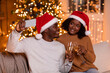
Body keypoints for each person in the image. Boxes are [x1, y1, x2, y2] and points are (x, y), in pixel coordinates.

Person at [7, 13, 72, 73]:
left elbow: (62, 70)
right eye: (55, 26)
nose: (58, 29)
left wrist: (69, 62)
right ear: (46, 29)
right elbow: (11, 48)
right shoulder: (30, 42)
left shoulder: (60, 46)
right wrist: (17, 31)